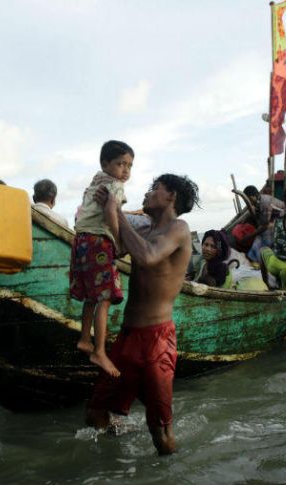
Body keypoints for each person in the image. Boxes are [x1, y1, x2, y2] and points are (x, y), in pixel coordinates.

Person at [86, 173, 198, 455]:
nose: (147, 194)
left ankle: (169, 472)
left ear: (171, 196)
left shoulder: (179, 229)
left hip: (157, 341)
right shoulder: (146, 232)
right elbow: (122, 249)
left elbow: (148, 256)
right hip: (128, 336)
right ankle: (114, 459)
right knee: (96, 412)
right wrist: (105, 214)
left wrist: (118, 212)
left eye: (155, 189)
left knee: (159, 430)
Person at [70, 140, 134, 377]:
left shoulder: (97, 180)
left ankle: (85, 339)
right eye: (120, 164)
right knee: (105, 299)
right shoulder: (115, 185)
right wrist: (119, 242)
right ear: (105, 163)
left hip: (81, 240)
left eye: (129, 165)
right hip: (99, 242)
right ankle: (99, 351)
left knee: (91, 296)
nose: (125, 170)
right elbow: (110, 212)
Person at [242, 185, 285, 263]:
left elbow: (265, 226)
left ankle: (262, 260)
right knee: (260, 234)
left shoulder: (265, 203)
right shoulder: (258, 200)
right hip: (273, 219)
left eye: (248, 198)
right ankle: (259, 258)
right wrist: (244, 220)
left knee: (264, 235)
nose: (246, 201)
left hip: (283, 221)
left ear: (253, 196)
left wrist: (250, 236)